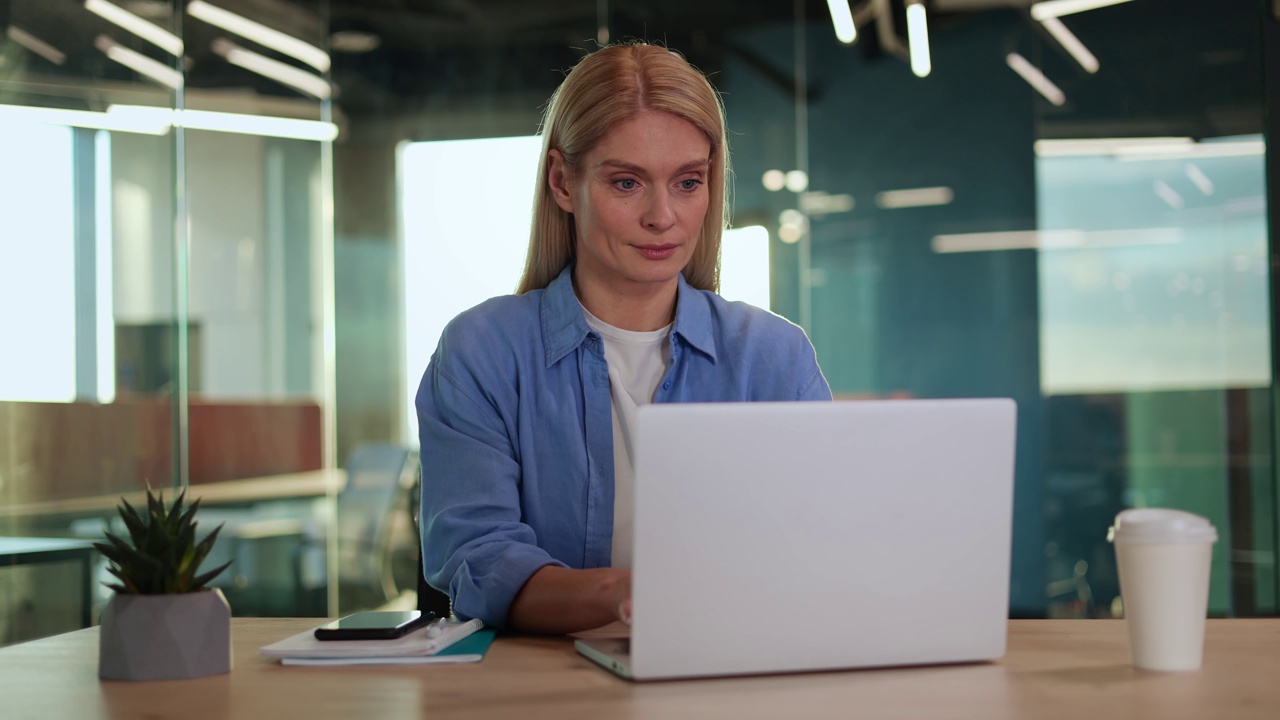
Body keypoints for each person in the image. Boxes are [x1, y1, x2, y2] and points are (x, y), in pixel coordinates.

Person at [417, 42, 831, 634]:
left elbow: (820, 544)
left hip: (733, 666)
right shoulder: (483, 352)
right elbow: (480, 559)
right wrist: (627, 596)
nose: (663, 216)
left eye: (688, 182)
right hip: (545, 684)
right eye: (627, 183)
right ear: (563, 182)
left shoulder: (774, 357)